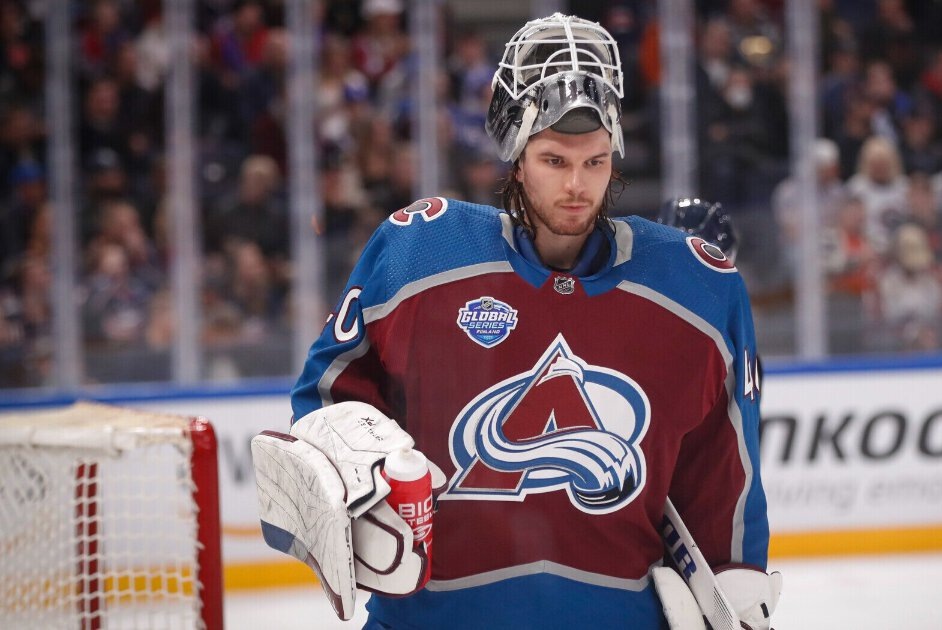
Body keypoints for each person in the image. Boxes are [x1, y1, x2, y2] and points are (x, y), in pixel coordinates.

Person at [251, 13, 779, 630]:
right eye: (554, 160)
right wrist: (362, 485)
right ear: (516, 158)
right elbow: (327, 398)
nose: (577, 185)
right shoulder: (421, 255)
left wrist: (737, 588)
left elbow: (724, 478)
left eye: (595, 162)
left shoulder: (696, 292)